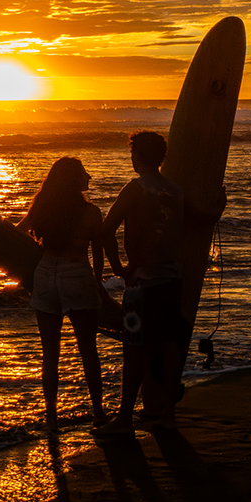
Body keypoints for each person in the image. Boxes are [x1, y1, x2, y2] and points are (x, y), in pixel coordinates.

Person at [101, 130, 188, 429]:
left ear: (136, 156)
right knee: (168, 344)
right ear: (161, 157)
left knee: (134, 347)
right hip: (171, 278)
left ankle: (125, 417)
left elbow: (106, 230)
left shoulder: (135, 189)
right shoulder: (175, 190)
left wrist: (119, 268)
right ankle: (168, 416)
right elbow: (195, 218)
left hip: (140, 283)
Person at [16, 156, 108, 427]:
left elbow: (19, 233)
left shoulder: (42, 206)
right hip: (76, 273)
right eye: (83, 173)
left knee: (50, 353)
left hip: (45, 273)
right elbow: (98, 251)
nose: (88, 177)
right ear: (72, 179)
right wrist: (99, 283)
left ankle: (52, 418)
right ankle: (99, 414)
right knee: (88, 349)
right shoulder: (91, 212)